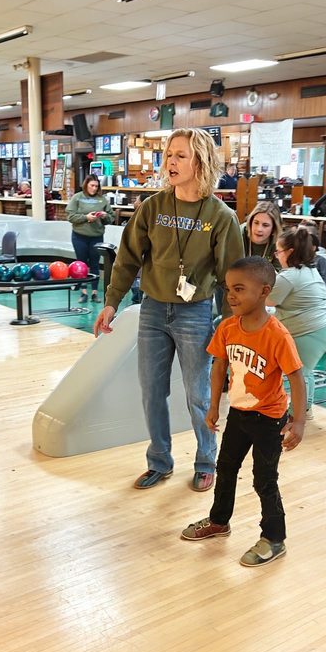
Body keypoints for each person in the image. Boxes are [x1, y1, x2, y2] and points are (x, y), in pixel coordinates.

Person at [94, 128, 244, 492]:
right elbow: (127, 258)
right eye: (169, 154)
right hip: (153, 310)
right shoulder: (153, 208)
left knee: (199, 394)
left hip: (195, 314)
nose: (170, 162)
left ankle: (207, 460)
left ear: (201, 162)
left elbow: (232, 276)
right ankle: (159, 461)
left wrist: (232, 325)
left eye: (180, 155)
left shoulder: (220, 216)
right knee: (152, 391)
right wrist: (111, 300)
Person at [180, 257, 305, 567]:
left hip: (269, 419)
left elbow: (296, 378)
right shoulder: (227, 327)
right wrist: (212, 407)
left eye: (239, 289)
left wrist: (299, 421)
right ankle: (219, 521)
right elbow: (219, 364)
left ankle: (274, 538)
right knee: (225, 468)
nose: (230, 296)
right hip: (238, 413)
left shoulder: (277, 335)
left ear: (264, 292)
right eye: (227, 289)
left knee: (264, 479)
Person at [271, 225, 326, 420]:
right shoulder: (309, 270)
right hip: (324, 329)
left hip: (310, 332)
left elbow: (268, 300)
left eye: (279, 251)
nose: (276, 256)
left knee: (297, 373)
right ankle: (305, 411)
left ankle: (296, 414)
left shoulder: (290, 276)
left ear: (290, 252)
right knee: (305, 371)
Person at [66, 174, 114, 303]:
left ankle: (94, 292)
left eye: (96, 186)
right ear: (86, 185)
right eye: (91, 185)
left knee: (94, 264)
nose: (94, 188)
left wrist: (104, 216)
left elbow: (111, 218)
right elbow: (70, 216)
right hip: (79, 237)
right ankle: (83, 292)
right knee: (81, 264)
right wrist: (86, 218)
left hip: (96, 236)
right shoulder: (77, 198)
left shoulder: (102, 200)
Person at [242, 201, 282, 271]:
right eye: (256, 223)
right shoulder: (239, 235)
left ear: (274, 228)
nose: (259, 229)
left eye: (265, 225)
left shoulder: (280, 243)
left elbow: (278, 274)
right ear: (250, 222)